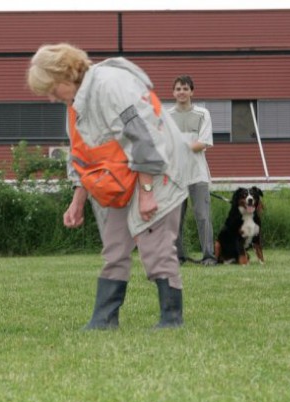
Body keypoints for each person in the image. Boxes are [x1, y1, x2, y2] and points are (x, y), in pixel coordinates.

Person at [27, 43, 196, 328]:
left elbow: (144, 139)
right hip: (120, 176)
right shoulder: (77, 105)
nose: (52, 98)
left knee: (155, 244)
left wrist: (146, 193)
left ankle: (171, 318)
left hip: (158, 168)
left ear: (67, 77)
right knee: (115, 246)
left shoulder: (110, 86)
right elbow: (84, 154)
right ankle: (104, 318)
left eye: (53, 90)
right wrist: (77, 200)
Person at [169, 75, 217, 266]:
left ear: (192, 92)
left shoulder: (203, 114)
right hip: (175, 177)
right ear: (173, 92)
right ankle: (177, 257)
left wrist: (179, 146)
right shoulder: (167, 116)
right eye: (178, 88)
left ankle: (209, 256)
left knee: (203, 217)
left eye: (185, 88)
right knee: (175, 220)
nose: (182, 92)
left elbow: (203, 143)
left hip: (198, 175)